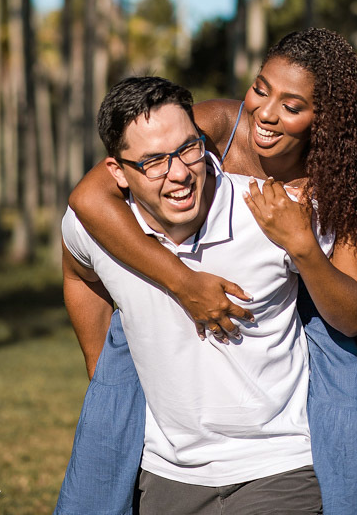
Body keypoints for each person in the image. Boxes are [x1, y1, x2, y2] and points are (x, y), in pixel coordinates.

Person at [55, 29, 357, 515]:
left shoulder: (339, 186)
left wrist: (303, 245)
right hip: (185, 358)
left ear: (323, 119)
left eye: (291, 105)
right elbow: (88, 199)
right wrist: (182, 288)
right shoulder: (217, 126)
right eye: (261, 88)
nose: (265, 113)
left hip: (304, 303)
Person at [61, 74, 325, 515]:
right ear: (117, 173)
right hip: (166, 476)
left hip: (281, 466)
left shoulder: (270, 213)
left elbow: (355, 291)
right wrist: (103, 369)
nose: (179, 173)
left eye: (188, 149)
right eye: (153, 162)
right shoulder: (99, 229)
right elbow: (77, 272)